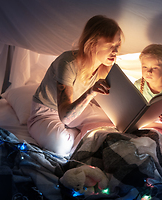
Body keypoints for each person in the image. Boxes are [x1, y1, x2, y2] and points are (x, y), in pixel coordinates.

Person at [27, 15, 122, 156]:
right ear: (92, 44)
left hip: (78, 110)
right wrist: (90, 93)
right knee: (61, 147)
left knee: (116, 124)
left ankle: (79, 134)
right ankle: (76, 136)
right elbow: (65, 117)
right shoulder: (68, 63)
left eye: (117, 45)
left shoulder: (106, 66)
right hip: (47, 113)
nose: (115, 51)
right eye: (110, 45)